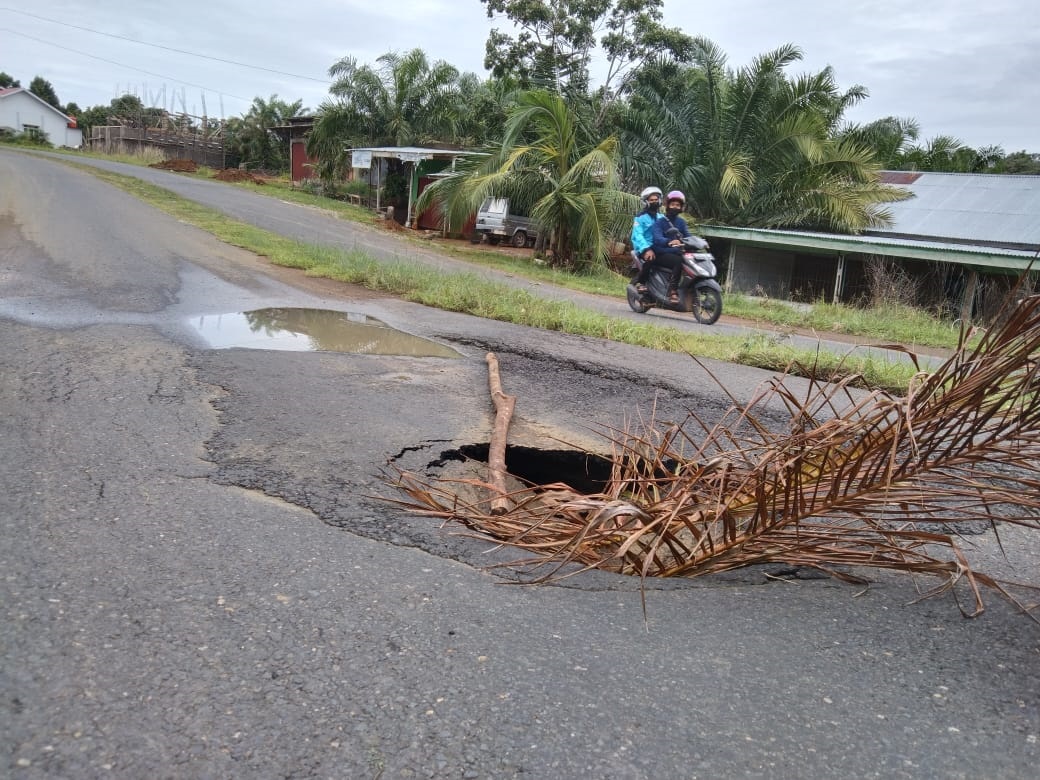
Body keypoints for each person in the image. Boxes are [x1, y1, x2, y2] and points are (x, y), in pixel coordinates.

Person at [650, 190, 693, 304]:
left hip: (675, 252)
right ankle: (672, 291)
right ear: (668, 205)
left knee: (688, 259)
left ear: (681, 207)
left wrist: (697, 242)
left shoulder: (681, 222)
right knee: (678, 261)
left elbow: (688, 236)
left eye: (678, 205)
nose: (675, 207)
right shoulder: (660, 222)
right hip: (660, 253)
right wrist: (669, 242)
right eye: (673, 204)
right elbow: (657, 238)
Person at [630, 186, 665, 295]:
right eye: (651, 200)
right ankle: (641, 283)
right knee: (650, 258)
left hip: (659, 247)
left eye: (656, 200)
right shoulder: (640, 217)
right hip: (644, 248)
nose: (654, 202)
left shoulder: (661, 217)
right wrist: (646, 249)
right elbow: (637, 235)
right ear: (646, 202)